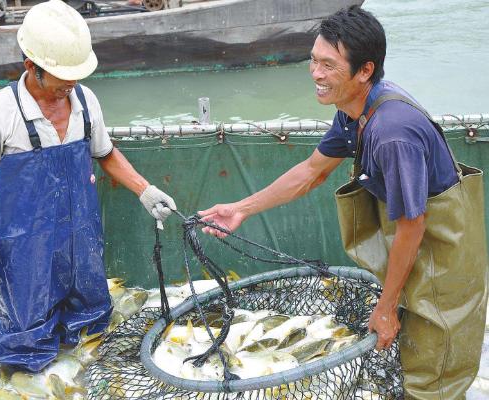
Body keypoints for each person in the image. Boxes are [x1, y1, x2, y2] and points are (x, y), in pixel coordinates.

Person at [199, 5, 487, 399]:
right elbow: (312, 171)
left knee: (433, 373)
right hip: (415, 247)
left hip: (443, 259)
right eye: (313, 61)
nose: (316, 74)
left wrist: (385, 309)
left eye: (329, 66)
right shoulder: (353, 110)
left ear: (364, 70)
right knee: (407, 349)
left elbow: (413, 225)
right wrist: (241, 209)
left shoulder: (391, 133)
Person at [0, 0, 176, 372]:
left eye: (77, 77)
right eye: (63, 81)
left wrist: (145, 190)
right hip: (23, 243)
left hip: (80, 235)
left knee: (91, 313)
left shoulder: (86, 100)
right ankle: (28, 360)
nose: (72, 87)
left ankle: (84, 338)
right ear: (32, 67)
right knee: (24, 330)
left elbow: (105, 154)